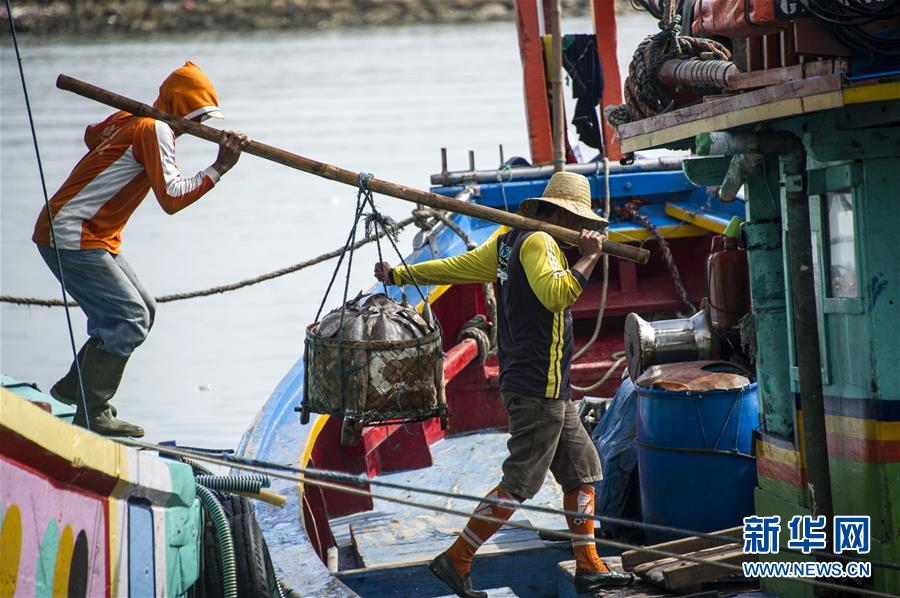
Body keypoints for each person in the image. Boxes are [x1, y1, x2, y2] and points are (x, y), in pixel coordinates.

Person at [374, 171, 633, 597]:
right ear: (564, 216)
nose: (581, 233)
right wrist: (589, 257)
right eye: (579, 224)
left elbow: (457, 267)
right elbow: (558, 293)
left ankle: (590, 565)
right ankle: (457, 559)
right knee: (520, 484)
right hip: (538, 389)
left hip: (550, 386)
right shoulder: (538, 242)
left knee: (583, 470)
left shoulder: (508, 241)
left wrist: (401, 274)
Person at [33, 61, 248, 438]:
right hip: (71, 232)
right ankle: (94, 410)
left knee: (143, 309)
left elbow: (92, 136)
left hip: (91, 232)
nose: (198, 127)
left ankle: (74, 388)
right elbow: (172, 198)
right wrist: (220, 167)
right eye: (196, 119)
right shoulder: (155, 129)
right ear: (182, 111)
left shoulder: (130, 118)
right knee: (128, 317)